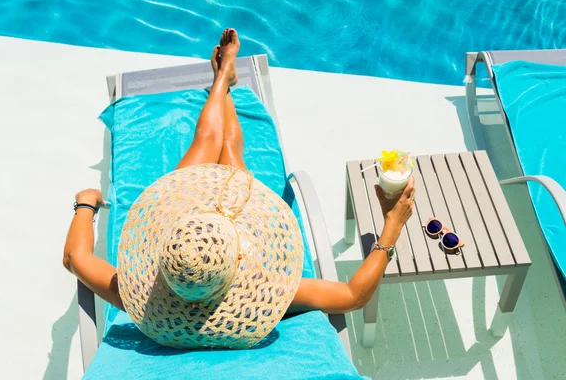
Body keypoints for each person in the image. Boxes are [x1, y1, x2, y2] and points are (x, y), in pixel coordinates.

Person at [63, 28, 415, 342]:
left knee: (208, 141)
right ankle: (222, 80)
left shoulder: (140, 294)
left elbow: (74, 257)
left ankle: (221, 80)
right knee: (223, 144)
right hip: (212, 223)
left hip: (189, 223)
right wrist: (393, 224)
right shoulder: (265, 290)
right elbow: (353, 296)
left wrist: (86, 203)